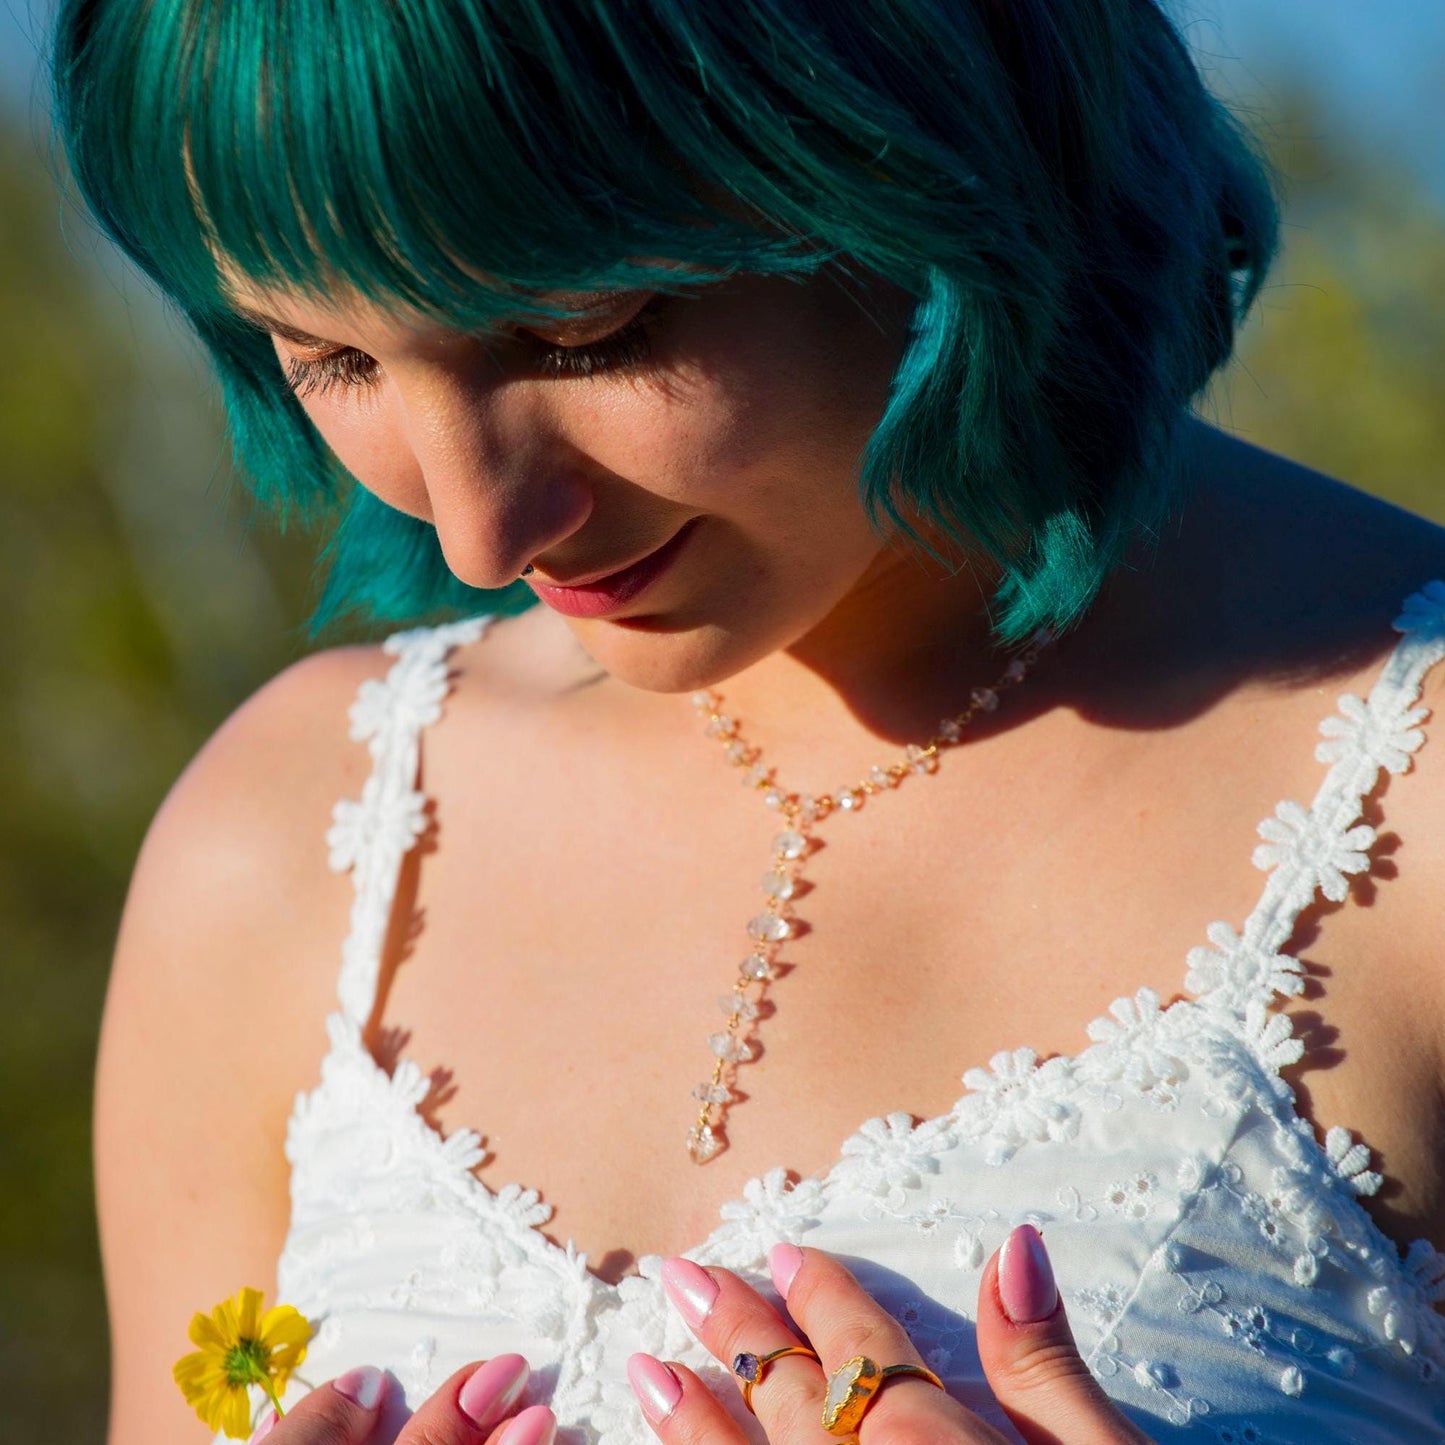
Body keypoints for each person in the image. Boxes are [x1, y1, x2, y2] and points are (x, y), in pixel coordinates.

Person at [52, 1, 1445, 1442]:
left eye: (583, 332)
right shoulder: (282, 841)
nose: (479, 532)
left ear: (924, 139)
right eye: (328, 357)